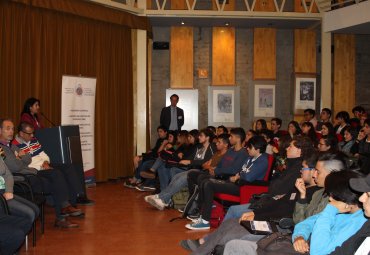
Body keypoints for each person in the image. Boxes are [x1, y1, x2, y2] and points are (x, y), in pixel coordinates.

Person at [222, 171, 366, 255]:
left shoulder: (356, 221)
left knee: (236, 246)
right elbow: (304, 223)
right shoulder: (339, 208)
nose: (329, 197)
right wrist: (299, 237)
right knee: (233, 244)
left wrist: (329, 210)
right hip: (293, 243)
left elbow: (318, 251)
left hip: (303, 248)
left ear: (342, 196)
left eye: (332, 194)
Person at [0, 119, 82, 228]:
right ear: (0, 130)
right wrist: (20, 157)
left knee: (57, 176)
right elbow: (14, 167)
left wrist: (19, 157)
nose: (11, 131)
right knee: (56, 178)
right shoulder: (1, 148)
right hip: (24, 179)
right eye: (8, 128)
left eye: (12, 129)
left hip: (31, 172)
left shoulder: (11, 146)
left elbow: (28, 158)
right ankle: (63, 213)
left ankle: (64, 211)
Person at [185, 136, 269, 230]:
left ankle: (205, 221)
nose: (247, 149)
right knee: (206, 181)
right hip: (237, 183)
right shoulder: (250, 158)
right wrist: (238, 176)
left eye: (250, 147)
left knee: (209, 184)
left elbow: (248, 177)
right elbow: (242, 171)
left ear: (257, 149)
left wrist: (237, 177)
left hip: (244, 188)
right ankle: (201, 215)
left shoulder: (263, 161)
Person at [13, 122, 92, 205]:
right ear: (21, 133)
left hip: (44, 164)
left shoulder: (33, 140)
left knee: (67, 166)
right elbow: (24, 164)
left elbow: (43, 154)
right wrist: (41, 166)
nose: (32, 135)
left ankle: (79, 195)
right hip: (35, 169)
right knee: (56, 173)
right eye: (29, 134)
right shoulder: (15, 146)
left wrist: (46, 162)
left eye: (33, 133)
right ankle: (65, 204)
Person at [144, 134, 230, 211]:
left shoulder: (226, 155)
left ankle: (161, 197)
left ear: (226, 145)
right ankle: (164, 198)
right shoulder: (217, 153)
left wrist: (209, 166)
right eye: (217, 142)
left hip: (209, 175)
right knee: (177, 175)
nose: (216, 143)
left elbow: (214, 168)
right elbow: (204, 164)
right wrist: (208, 166)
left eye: (219, 142)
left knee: (187, 174)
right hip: (203, 171)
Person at [330, 173, 370, 254]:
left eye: (368, 195)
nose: (361, 199)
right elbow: (341, 252)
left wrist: (330, 210)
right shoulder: (367, 226)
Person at [1, 155, 39, 230]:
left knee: (35, 210)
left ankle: (17, 235)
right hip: (1, 195)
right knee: (29, 213)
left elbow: (8, 175)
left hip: (5, 191)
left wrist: (9, 191)